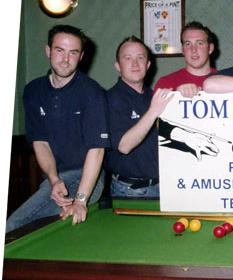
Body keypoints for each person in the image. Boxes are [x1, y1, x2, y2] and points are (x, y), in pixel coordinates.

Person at [6, 25, 109, 232]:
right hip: (53, 177)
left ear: (81, 57)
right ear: (48, 51)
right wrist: (54, 179)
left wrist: (80, 200)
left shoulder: (92, 92)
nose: (65, 59)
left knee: (12, 227)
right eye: (59, 50)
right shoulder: (33, 91)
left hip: (87, 176)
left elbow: (97, 150)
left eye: (73, 53)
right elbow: (40, 142)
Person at [105, 36, 174, 198]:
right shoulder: (109, 99)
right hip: (129, 190)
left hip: (162, 186)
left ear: (148, 64)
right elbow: (124, 146)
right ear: (118, 66)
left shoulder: (153, 96)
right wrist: (154, 111)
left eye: (140, 58)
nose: (135, 64)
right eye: (128, 58)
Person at [154, 21, 217, 97]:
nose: (194, 50)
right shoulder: (165, 84)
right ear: (182, 50)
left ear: (210, 48)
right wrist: (176, 95)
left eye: (200, 43)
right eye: (188, 44)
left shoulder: (225, 80)